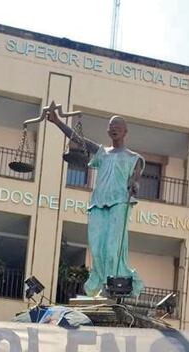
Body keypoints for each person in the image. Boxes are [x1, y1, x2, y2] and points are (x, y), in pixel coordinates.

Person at [46, 104, 145, 297]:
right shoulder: (101, 153)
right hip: (98, 204)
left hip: (119, 204)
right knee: (97, 248)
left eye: (117, 125)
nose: (114, 128)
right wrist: (57, 122)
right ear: (108, 131)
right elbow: (78, 139)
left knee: (111, 249)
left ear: (125, 131)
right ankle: (100, 283)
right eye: (111, 126)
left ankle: (116, 284)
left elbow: (135, 179)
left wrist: (134, 186)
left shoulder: (134, 158)